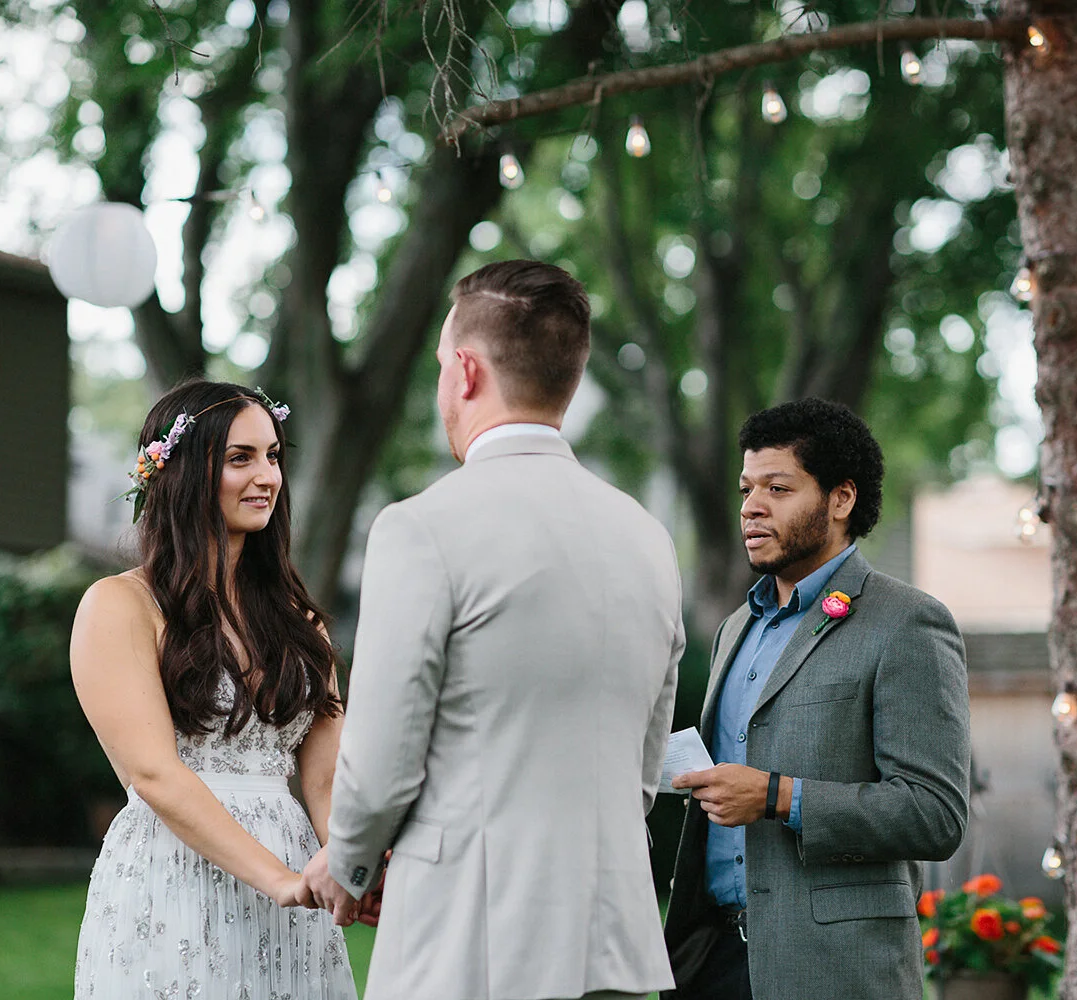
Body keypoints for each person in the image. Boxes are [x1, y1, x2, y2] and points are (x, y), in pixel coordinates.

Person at [301, 260, 684, 1000]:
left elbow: (382, 759)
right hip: (613, 938)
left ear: (468, 371)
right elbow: (643, 766)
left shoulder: (422, 528)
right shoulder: (647, 538)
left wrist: (348, 862)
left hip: (473, 939)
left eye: (442, 364)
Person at [663, 398, 971, 1000]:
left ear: (841, 498)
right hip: (709, 961)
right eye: (747, 489)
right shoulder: (734, 629)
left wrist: (778, 796)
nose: (751, 506)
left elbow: (935, 814)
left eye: (778, 488)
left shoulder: (908, 622)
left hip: (832, 971)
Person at [70, 379, 357, 1000]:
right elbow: (154, 775)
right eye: (239, 458)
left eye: (272, 456)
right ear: (180, 473)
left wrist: (342, 862)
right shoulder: (120, 605)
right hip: (173, 875)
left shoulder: (300, 622)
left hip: (294, 885)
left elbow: (327, 775)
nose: (267, 477)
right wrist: (279, 881)